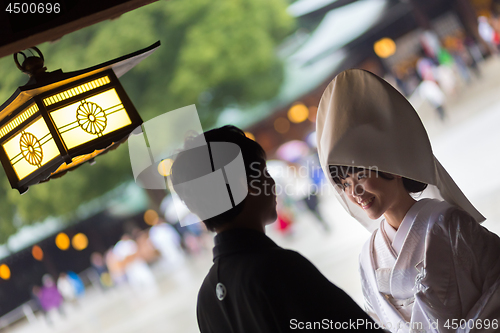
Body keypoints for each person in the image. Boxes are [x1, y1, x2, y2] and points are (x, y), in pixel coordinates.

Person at [316, 69, 500, 332]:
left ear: (390, 163)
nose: (354, 192)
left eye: (360, 175)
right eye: (344, 184)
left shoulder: (449, 224)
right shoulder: (368, 257)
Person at [170, 125, 383, 332]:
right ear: (246, 184)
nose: (272, 184)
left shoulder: (206, 299)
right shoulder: (278, 268)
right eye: (263, 172)